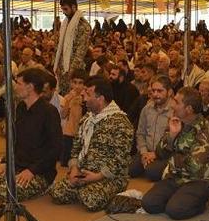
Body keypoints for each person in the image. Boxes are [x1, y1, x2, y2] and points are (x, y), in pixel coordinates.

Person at [50, 77, 133, 211]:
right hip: (83, 172)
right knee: (57, 192)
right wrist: (74, 168)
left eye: (88, 94)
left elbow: (120, 159)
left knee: (90, 199)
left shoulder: (121, 123)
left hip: (107, 177)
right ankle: (84, 188)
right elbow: (76, 148)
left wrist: (97, 176)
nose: (83, 96)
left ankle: (111, 192)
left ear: (100, 99)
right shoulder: (87, 119)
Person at [0, 68, 62, 201]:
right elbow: (14, 140)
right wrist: (6, 162)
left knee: (7, 192)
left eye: (19, 83)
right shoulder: (21, 108)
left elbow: (55, 148)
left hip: (40, 171)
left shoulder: (49, 112)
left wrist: (32, 170)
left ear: (30, 87)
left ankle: (45, 185)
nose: (15, 87)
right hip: (19, 166)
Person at [141, 87, 209, 220]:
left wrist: (174, 158)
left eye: (176, 102)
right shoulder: (176, 122)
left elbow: (194, 166)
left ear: (189, 109)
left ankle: (202, 202)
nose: (172, 105)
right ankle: (179, 197)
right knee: (149, 204)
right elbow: (160, 153)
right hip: (175, 177)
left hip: (198, 181)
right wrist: (172, 136)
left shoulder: (205, 129)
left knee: (175, 210)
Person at [130, 75, 173, 181]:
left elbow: (173, 141)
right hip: (147, 150)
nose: (155, 94)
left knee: (151, 173)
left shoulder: (174, 111)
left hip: (164, 154)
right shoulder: (146, 109)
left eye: (160, 91)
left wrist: (155, 154)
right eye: (153, 91)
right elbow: (140, 133)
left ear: (169, 92)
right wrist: (144, 153)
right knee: (130, 170)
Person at [54, 0, 90, 95]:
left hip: (74, 71)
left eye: (66, 9)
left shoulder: (83, 25)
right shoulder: (65, 23)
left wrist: (72, 70)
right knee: (63, 96)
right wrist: (56, 63)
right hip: (62, 68)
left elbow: (81, 51)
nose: (64, 12)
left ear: (73, 7)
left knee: (73, 96)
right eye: (62, 9)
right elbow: (60, 46)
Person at [61, 70, 87, 167]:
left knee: (79, 164)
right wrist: (68, 101)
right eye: (74, 82)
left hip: (81, 134)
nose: (77, 86)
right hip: (68, 133)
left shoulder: (86, 98)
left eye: (80, 83)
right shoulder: (67, 97)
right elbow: (63, 115)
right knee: (65, 163)